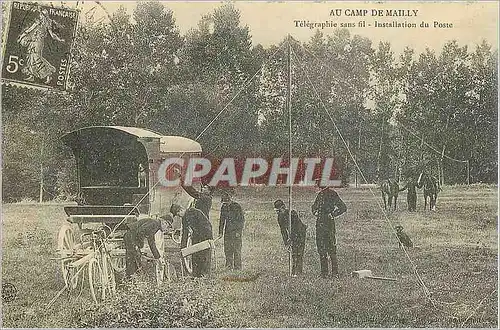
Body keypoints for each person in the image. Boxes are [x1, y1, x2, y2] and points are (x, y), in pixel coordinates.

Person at [17, 7, 65, 83]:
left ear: (44, 15)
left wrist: (60, 39)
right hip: (33, 41)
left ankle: (48, 74)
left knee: (36, 58)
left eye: (41, 14)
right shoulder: (38, 22)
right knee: (29, 57)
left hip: (39, 42)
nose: (40, 15)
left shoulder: (48, 24)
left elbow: (52, 35)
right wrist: (22, 36)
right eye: (40, 14)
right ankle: (31, 76)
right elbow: (29, 30)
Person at [311, 181, 347, 278]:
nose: (317, 185)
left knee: (331, 248)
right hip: (319, 223)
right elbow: (313, 207)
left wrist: (333, 214)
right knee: (321, 248)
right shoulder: (320, 195)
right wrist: (315, 212)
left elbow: (343, 207)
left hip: (329, 223)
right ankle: (324, 273)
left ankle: (335, 273)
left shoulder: (332, 194)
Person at [171, 203, 213, 277]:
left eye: (178, 214)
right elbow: (185, 233)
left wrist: (210, 238)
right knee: (196, 256)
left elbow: (208, 225)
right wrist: (183, 248)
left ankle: (204, 275)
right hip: (196, 238)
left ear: (181, 210)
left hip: (204, 237)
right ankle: (196, 274)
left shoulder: (195, 212)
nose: (179, 216)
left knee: (204, 256)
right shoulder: (184, 219)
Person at [274, 199, 307, 276]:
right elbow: (283, 231)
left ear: (283, 207)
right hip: (292, 234)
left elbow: (297, 228)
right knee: (293, 253)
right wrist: (286, 243)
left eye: (279, 211)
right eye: (276, 211)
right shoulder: (279, 217)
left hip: (300, 233)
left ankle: (298, 272)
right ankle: (294, 271)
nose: (277, 213)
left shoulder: (292, 214)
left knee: (299, 252)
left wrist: (291, 238)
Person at [219, 192, 245, 270]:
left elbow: (241, 220)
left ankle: (237, 267)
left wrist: (238, 232)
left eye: (226, 202)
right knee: (227, 249)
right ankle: (229, 265)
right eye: (224, 203)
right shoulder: (223, 207)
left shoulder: (236, 206)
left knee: (236, 249)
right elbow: (222, 220)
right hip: (228, 231)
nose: (225, 204)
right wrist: (220, 232)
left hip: (236, 231)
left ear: (229, 200)